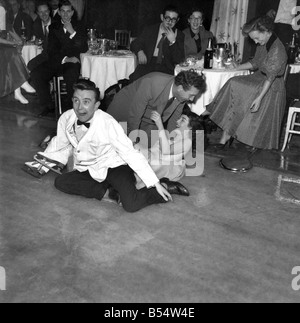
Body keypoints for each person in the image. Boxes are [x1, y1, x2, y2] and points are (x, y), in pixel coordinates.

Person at [22, 79, 192, 213]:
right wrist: (41, 163)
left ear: (96, 105)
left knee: (131, 205)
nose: (80, 107)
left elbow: (130, 153)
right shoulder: (66, 118)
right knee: (61, 182)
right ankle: (109, 192)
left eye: (86, 102)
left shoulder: (108, 123)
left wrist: (154, 183)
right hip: (90, 169)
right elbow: (60, 143)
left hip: (116, 166)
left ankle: (163, 187)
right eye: (76, 100)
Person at [207, 15, 287, 150]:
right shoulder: (264, 42)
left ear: (267, 31)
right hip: (259, 77)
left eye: (257, 38)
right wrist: (236, 67)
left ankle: (229, 133)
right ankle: (226, 133)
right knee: (233, 82)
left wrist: (259, 98)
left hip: (272, 85)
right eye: (253, 39)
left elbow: (270, 77)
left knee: (242, 89)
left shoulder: (277, 49)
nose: (255, 42)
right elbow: (255, 62)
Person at [107, 70, 206, 147]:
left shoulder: (182, 94)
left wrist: (170, 140)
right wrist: (133, 138)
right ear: (180, 88)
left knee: (154, 145)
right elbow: (135, 112)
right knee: (121, 145)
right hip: (124, 110)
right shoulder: (152, 83)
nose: (192, 99)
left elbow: (175, 117)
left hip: (149, 115)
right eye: (191, 95)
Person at [30, 0, 87, 116]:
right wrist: (66, 58)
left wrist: (72, 32)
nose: (65, 14)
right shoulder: (54, 27)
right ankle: (47, 105)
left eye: (68, 11)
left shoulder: (79, 26)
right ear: (59, 13)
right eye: (63, 11)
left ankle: (73, 110)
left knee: (71, 73)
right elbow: (52, 50)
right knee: (37, 73)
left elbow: (84, 47)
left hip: (72, 63)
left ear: (72, 13)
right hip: (58, 60)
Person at [134, 107, 203, 193]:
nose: (177, 121)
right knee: (136, 147)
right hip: (156, 158)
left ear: (191, 128)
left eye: (182, 120)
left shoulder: (187, 142)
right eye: (179, 118)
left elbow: (166, 151)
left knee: (155, 164)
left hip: (165, 166)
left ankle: (146, 183)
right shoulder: (176, 134)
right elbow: (155, 149)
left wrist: (160, 124)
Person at [129, 4, 185, 82]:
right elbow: (135, 43)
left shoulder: (179, 35)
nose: (170, 22)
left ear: (177, 20)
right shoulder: (150, 30)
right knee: (134, 81)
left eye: (173, 19)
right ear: (162, 17)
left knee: (160, 83)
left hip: (166, 67)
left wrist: (173, 42)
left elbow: (178, 60)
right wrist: (140, 51)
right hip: (148, 63)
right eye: (167, 18)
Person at [0, 0, 36, 104]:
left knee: (12, 53)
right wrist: (12, 44)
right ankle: (22, 83)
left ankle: (18, 91)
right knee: (10, 51)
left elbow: (16, 37)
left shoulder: (5, 23)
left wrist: (20, 42)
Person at [28, 1, 51, 71]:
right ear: (37, 13)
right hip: (44, 55)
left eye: (46, 11)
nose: (44, 14)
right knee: (30, 65)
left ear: (49, 11)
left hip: (56, 55)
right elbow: (33, 38)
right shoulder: (36, 25)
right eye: (41, 12)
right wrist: (35, 41)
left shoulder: (57, 24)